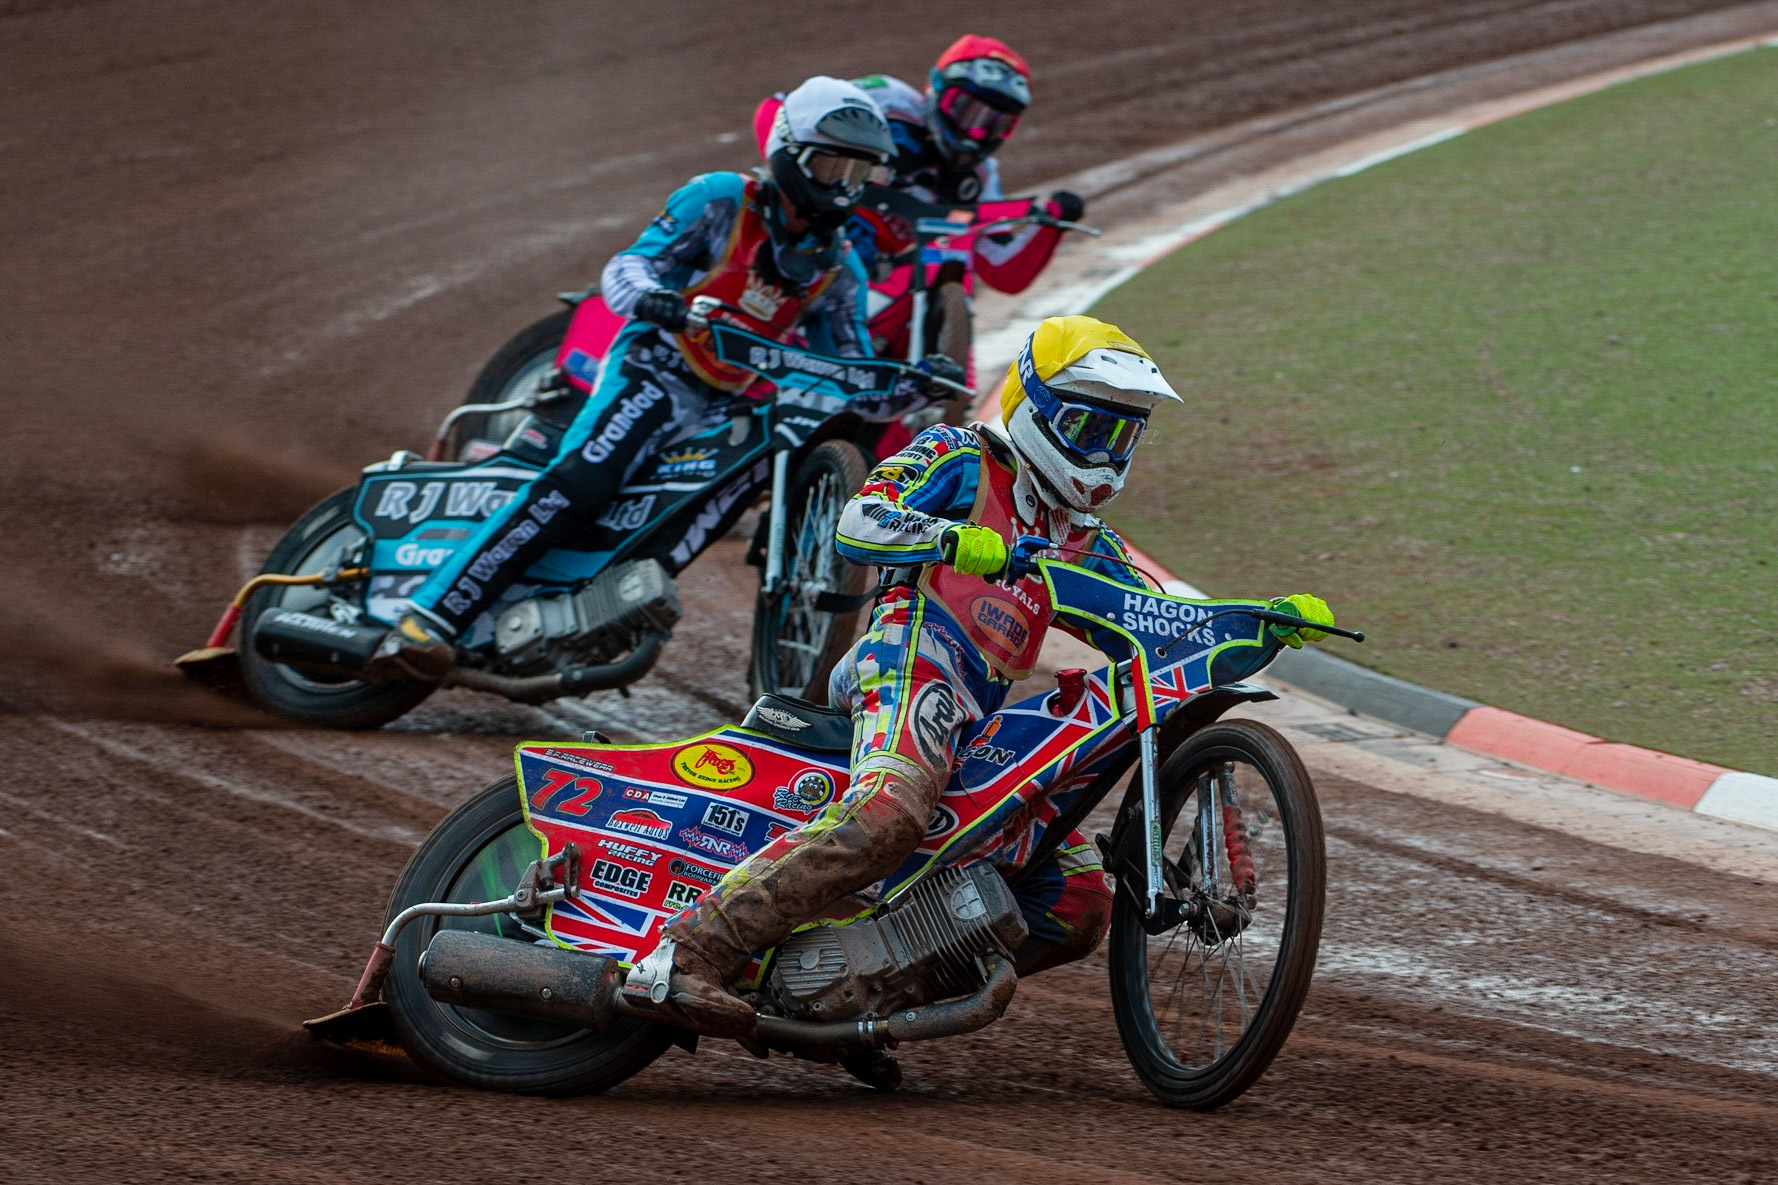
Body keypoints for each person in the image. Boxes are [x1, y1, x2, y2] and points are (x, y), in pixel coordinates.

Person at [644, 314, 1336, 1040]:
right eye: (1089, 427)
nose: (1105, 453)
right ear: (1034, 407)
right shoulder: (962, 456)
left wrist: (1255, 620)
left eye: (1123, 436)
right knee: (889, 814)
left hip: (982, 716)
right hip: (907, 658)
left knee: (1077, 900)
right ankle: (688, 951)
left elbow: (1153, 621)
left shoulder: (1088, 543)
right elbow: (858, 517)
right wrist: (947, 537)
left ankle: (870, 996)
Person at [366, 77, 902, 683]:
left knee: (684, 521)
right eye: (831, 165)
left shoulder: (841, 269)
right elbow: (627, 266)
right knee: (582, 485)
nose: (842, 187)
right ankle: (427, 617)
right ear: (789, 150)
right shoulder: (720, 199)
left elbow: (854, 368)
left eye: (858, 174)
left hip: (727, 405)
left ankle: (582, 615)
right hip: (655, 367)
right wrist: (658, 301)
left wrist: (912, 382)